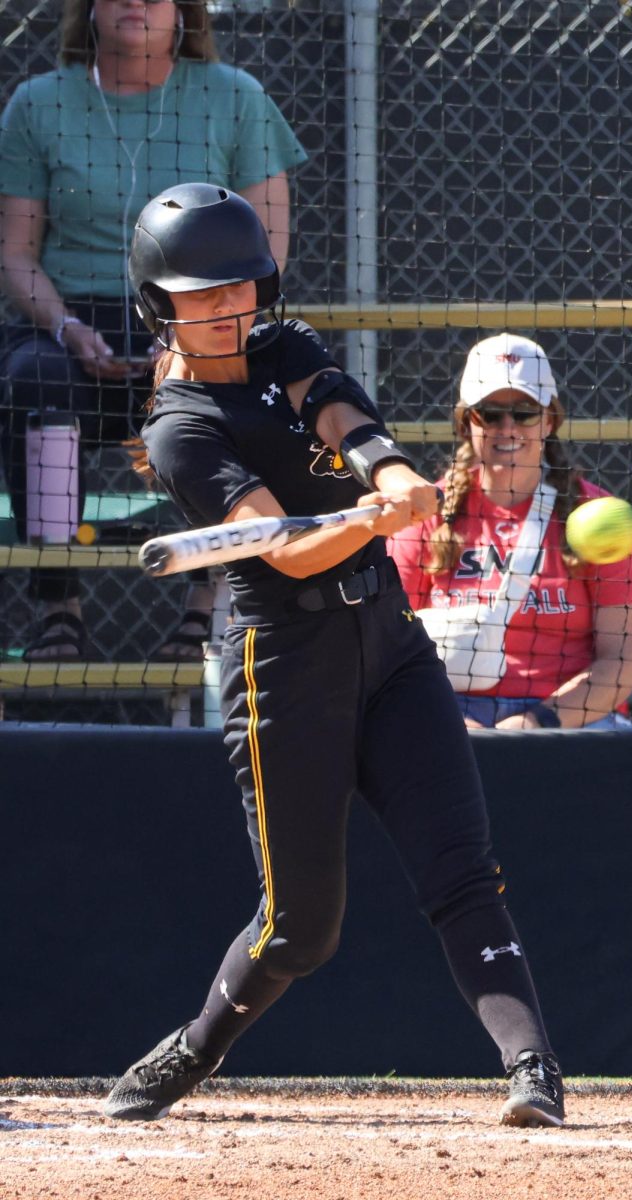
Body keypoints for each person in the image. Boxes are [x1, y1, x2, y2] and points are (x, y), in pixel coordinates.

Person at [104, 182, 565, 1129]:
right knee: (300, 930)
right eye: (205, 293)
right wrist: (365, 520)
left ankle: (533, 1069)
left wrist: (394, 482)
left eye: (242, 286)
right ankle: (195, 1048)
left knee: (462, 868)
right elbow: (281, 546)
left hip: (388, 641)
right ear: (161, 305)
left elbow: (348, 424)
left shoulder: (285, 343)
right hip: (284, 668)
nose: (231, 306)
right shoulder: (181, 429)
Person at [0, 0, 306, 659]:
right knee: (31, 379)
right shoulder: (37, 104)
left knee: (250, 385)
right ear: (88, 10)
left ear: (185, 12)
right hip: (73, 321)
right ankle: (60, 609)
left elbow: (269, 248)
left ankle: (209, 609)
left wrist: (198, 333)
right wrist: (66, 326)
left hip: (202, 316)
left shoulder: (236, 98)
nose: (135, 2)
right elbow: (15, 253)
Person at [389, 334, 632, 731]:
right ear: (467, 422)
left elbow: (625, 660)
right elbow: (389, 647)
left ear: (548, 421)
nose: (508, 427)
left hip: (570, 715)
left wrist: (538, 721)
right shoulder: (427, 512)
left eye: (525, 412)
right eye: (490, 413)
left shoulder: (596, 514)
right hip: (450, 710)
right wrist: (452, 724)